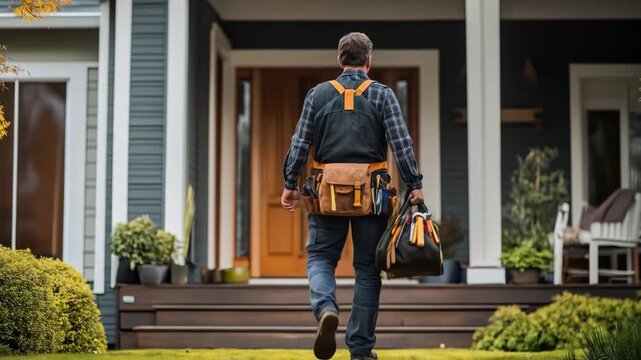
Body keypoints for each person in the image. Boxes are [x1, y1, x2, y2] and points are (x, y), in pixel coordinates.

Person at [281, 32, 424, 360]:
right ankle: (360, 349)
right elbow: (402, 143)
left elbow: (299, 143)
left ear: (339, 60)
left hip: (324, 194)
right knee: (367, 269)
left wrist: (290, 183)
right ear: (369, 61)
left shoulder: (317, 95)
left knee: (320, 258)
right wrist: (414, 183)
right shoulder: (383, 96)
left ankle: (326, 308)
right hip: (372, 198)